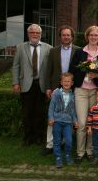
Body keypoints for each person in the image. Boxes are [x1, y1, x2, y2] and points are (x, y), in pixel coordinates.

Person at [69, 25, 98, 164]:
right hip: (81, 91)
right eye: (91, 35)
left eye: (96, 35)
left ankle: (90, 151)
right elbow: (72, 70)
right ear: (87, 36)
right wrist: (84, 70)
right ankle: (80, 152)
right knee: (82, 123)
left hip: (95, 92)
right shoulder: (80, 52)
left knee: (93, 122)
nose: (93, 37)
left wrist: (96, 75)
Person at [12, 23, 52, 145]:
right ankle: (28, 137)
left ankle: (39, 137)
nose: (35, 34)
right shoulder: (20, 47)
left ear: (41, 34)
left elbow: (50, 68)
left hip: (42, 84)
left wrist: (50, 86)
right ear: (28, 34)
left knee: (40, 112)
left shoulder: (49, 48)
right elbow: (16, 66)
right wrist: (15, 83)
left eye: (37, 33)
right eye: (32, 32)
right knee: (27, 112)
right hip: (26, 84)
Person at [42, 25, 79, 156]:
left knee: (69, 114)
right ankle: (50, 144)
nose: (66, 37)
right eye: (63, 35)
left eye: (68, 35)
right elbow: (48, 70)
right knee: (53, 114)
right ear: (60, 37)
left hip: (72, 88)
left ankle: (64, 142)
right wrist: (48, 87)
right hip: (56, 87)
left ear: (72, 37)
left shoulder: (78, 51)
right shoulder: (53, 51)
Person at [48, 72, 78, 168]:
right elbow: (51, 107)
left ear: (72, 83)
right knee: (57, 141)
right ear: (61, 82)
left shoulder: (72, 95)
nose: (66, 83)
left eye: (68, 81)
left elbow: (73, 110)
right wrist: (51, 118)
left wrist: (75, 120)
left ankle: (68, 155)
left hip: (68, 123)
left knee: (69, 140)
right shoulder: (56, 93)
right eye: (64, 81)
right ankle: (58, 158)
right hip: (57, 121)